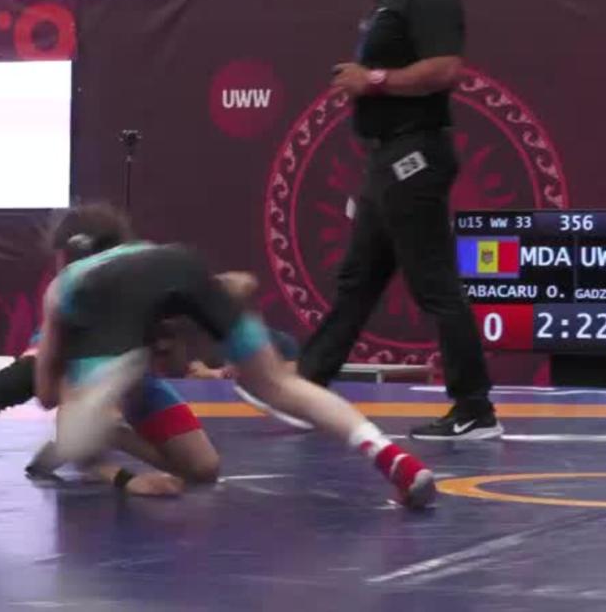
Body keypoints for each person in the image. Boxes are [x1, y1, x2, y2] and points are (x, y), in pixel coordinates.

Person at [33, 202, 437, 508]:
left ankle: (109, 397)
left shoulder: (66, 285)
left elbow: (47, 395)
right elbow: (237, 287)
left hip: (114, 337)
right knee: (279, 384)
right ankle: (392, 457)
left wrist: (75, 376)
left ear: (62, 255)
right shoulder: (146, 252)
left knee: (80, 425)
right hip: (181, 265)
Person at [293, 0, 500, 440]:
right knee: (358, 280)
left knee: (433, 281)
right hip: (389, 155)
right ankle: (306, 388)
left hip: (415, 154)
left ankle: (475, 407)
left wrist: (374, 80)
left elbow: (446, 69)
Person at [0, 322, 221, 496]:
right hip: (74, 354)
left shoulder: (168, 314)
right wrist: (125, 478)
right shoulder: (81, 341)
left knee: (204, 469)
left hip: (125, 362)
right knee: (20, 382)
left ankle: (71, 446)